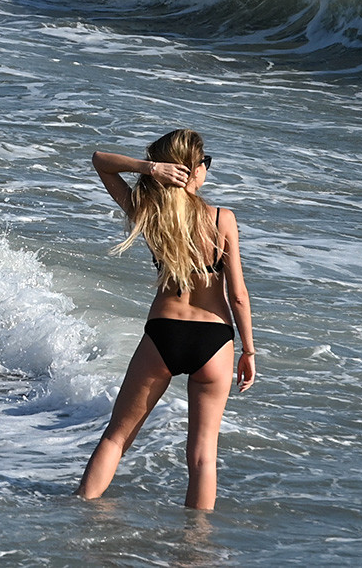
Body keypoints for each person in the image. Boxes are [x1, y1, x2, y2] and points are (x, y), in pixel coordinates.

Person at [75, 129, 255, 510]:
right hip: (215, 340)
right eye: (205, 163)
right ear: (192, 170)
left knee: (116, 438)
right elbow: (238, 294)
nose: (206, 170)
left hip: (163, 333)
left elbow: (100, 162)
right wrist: (249, 351)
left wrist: (148, 169)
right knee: (203, 456)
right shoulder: (223, 218)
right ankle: (194, 547)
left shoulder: (150, 212)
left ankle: (79, 515)